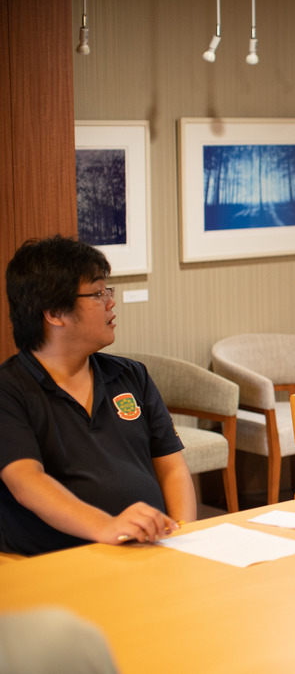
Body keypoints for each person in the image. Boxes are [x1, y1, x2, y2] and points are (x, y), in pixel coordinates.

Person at [0, 236, 195, 556]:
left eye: (109, 291)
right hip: (58, 562)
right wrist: (107, 526)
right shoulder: (10, 390)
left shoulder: (132, 375)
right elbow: (26, 482)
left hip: (151, 549)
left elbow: (172, 467)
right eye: (98, 293)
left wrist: (186, 535)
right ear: (54, 312)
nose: (111, 301)